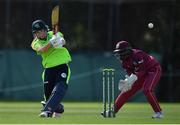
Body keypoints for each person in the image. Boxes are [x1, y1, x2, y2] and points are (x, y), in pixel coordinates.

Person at [31, 19, 71, 118]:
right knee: (49, 98)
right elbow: (41, 50)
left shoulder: (54, 33)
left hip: (62, 66)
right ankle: (59, 109)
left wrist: (59, 41)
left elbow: (63, 41)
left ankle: (46, 111)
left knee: (59, 88)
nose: (41, 33)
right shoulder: (35, 43)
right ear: (35, 34)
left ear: (45, 29)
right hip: (49, 69)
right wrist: (51, 42)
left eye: (42, 30)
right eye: (38, 32)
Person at [113, 40, 163, 119]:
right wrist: (128, 81)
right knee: (126, 91)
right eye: (118, 52)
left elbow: (141, 70)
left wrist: (131, 79)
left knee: (147, 90)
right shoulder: (124, 62)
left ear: (127, 51)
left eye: (121, 52)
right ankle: (113, 111)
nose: (119, 54)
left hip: (153, 70)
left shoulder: (137, 54)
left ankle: (159, 112)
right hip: (140, 73)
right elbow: (131, 74)